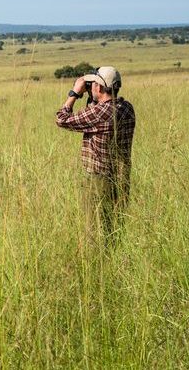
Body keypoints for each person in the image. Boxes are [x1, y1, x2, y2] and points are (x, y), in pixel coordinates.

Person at [55, 66, 136, 247]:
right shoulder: (127, 107)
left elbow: (62, 119)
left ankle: (100, 266)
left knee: (95, 230)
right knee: (115, 227)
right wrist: (93, 99)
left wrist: (74, 94)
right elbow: (96, 116)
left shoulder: (101, 113)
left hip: (99, 179)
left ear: (98, 87)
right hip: (122, 176)